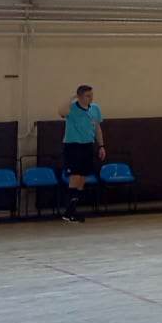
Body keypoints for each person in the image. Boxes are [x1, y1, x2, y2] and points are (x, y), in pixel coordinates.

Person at [59, 83, 105, 223]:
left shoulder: (95, 108)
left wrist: (101, 145)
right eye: (87, 96)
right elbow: (61, 112)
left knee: (83, 178)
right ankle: (68, 212)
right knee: (75, 176)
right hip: (73, 146)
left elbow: (97, 128)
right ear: (79, 96)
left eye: (92, 95)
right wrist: (72, 97)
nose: (91, 98)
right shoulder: (72, 108)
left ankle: (72, 210)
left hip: (87, 146)